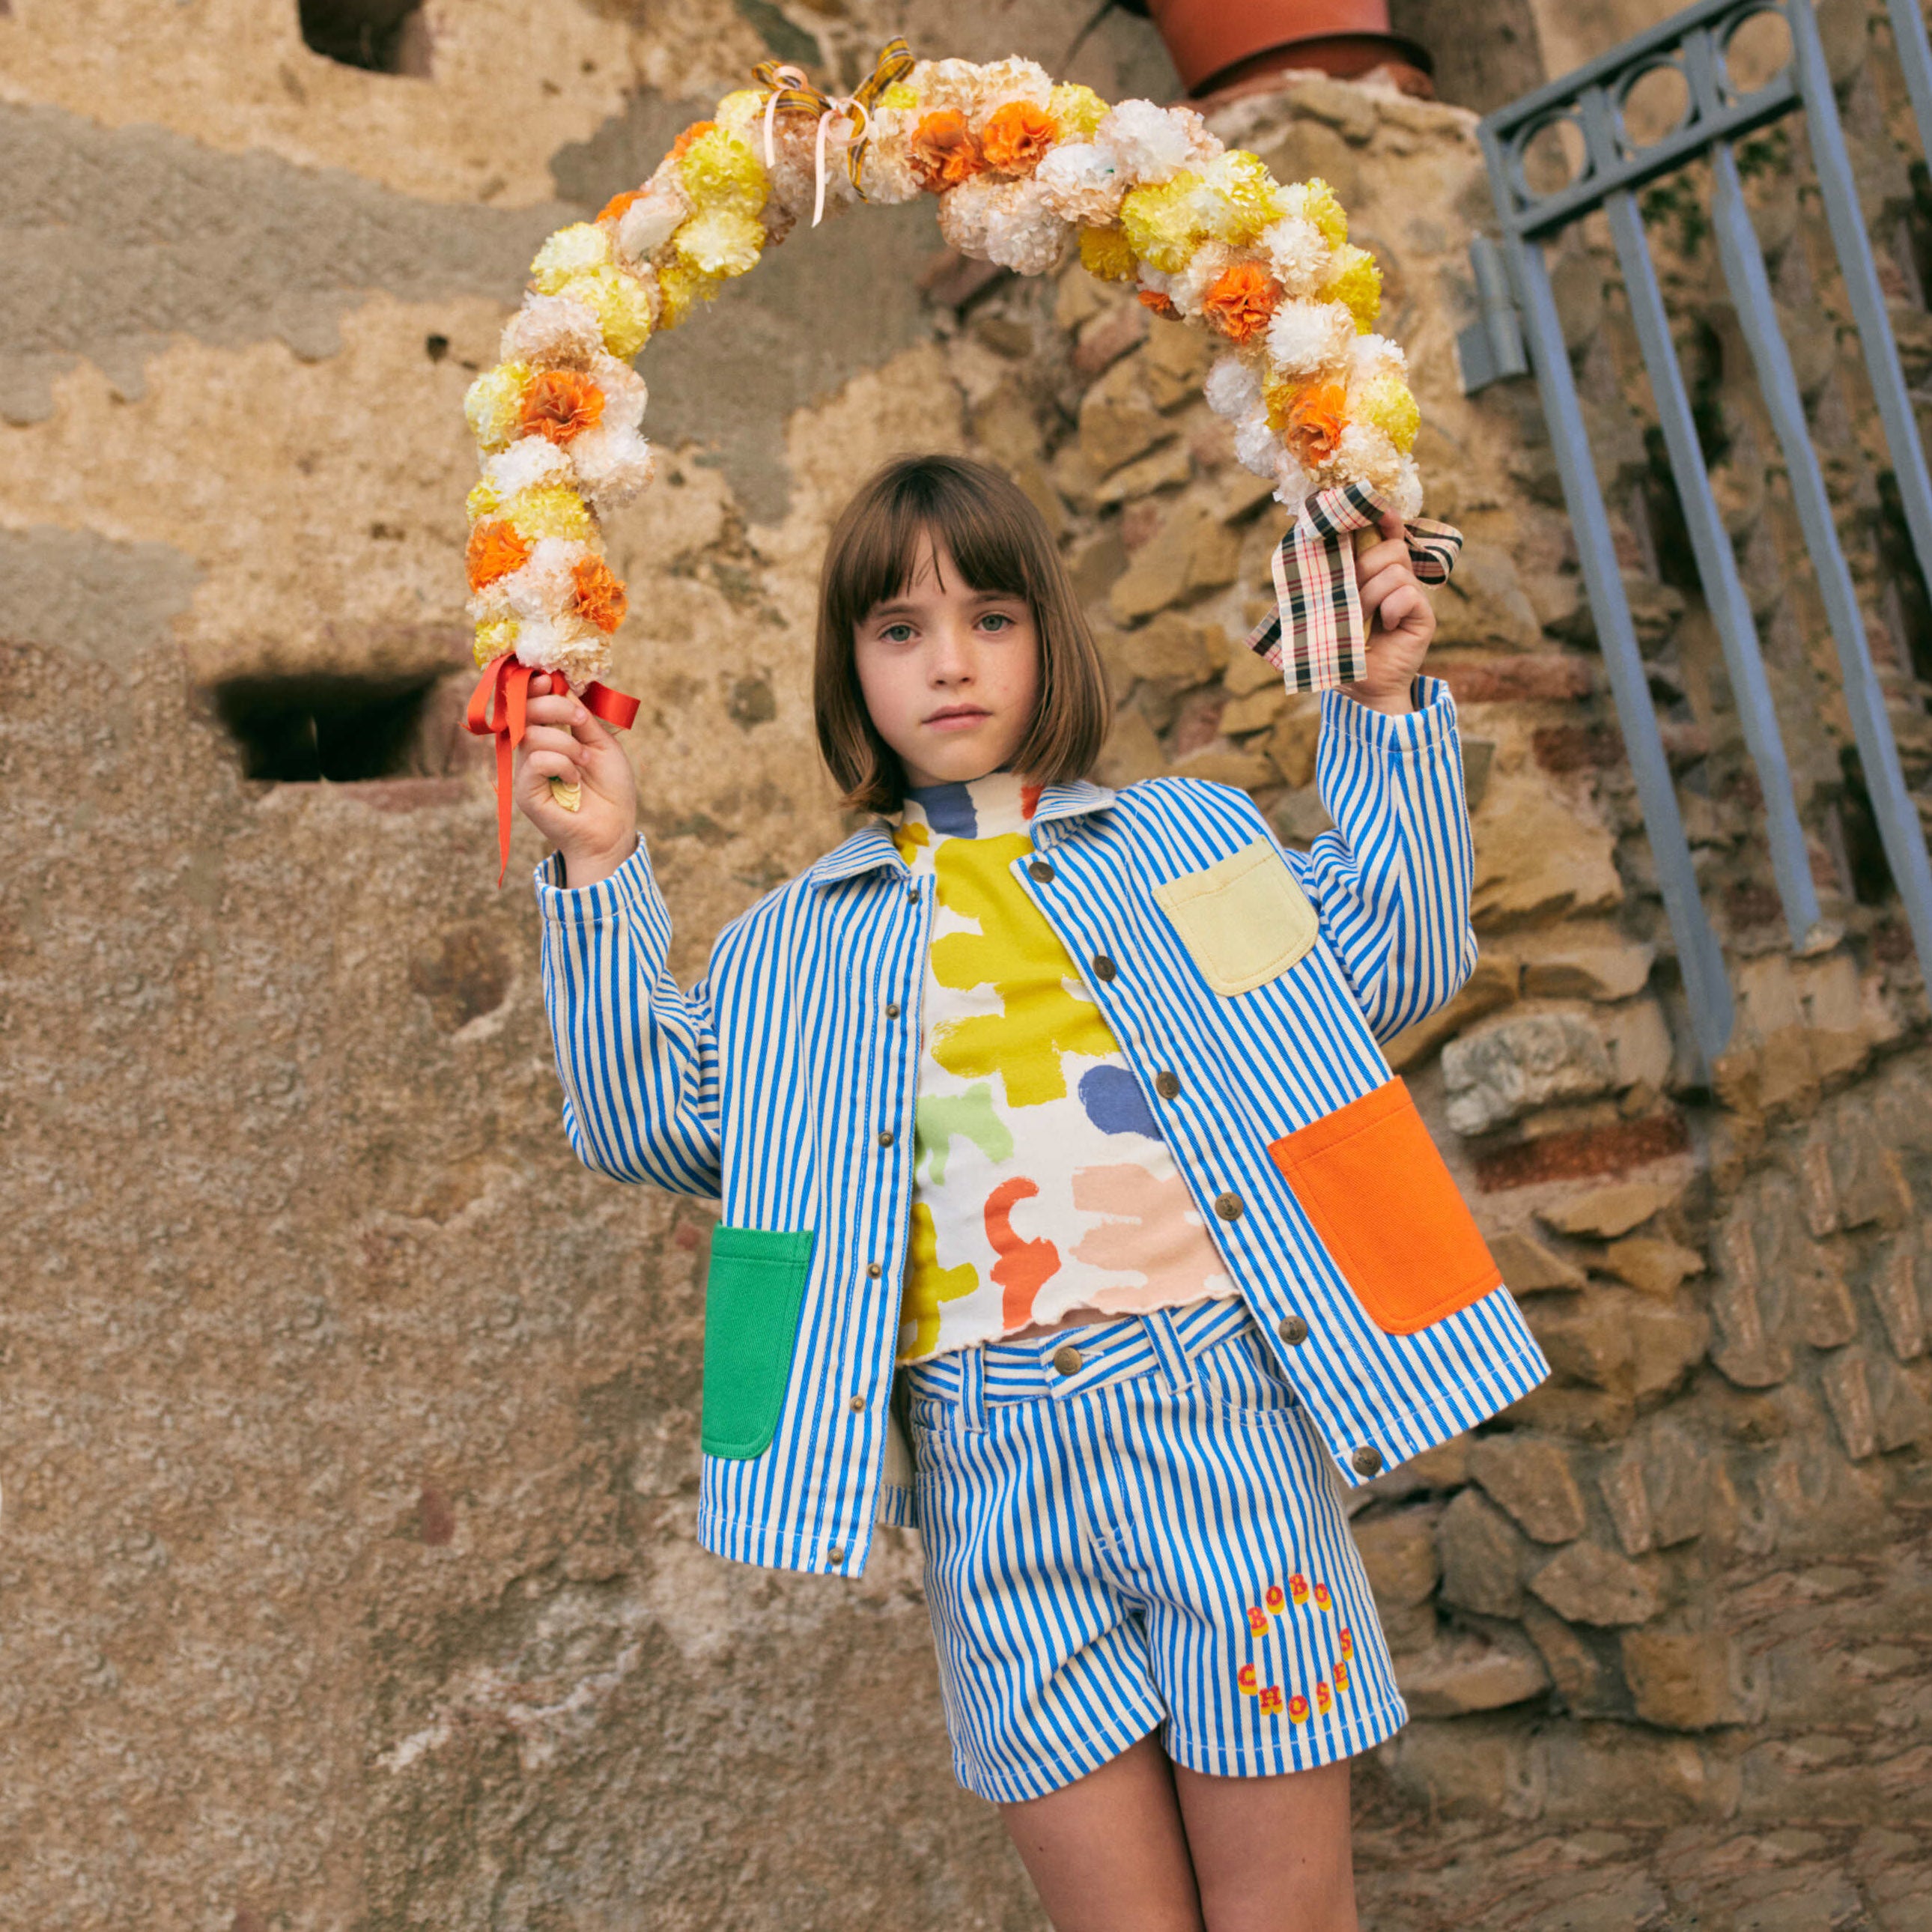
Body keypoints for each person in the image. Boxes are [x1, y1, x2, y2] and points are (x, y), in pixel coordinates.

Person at [513, 453, 1548, 1932]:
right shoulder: (788, 950)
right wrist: (604, 868)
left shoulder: (1185, 843)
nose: (949, 663)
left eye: (990, 617)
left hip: (1216, 1429)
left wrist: (1378, 706)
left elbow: (1386, 958)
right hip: (985, 1473)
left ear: (1048, 638)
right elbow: (642, 1119)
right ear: (846, 669)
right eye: (899, 629)